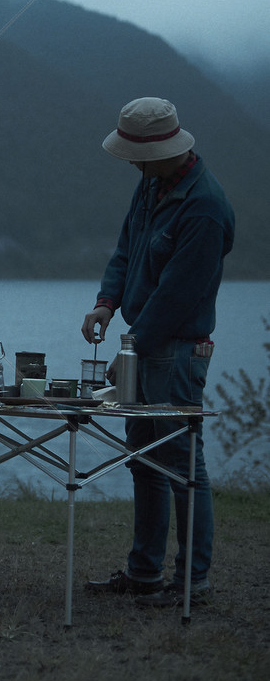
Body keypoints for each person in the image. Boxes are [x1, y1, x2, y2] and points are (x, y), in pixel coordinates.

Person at [81, 97, 234, 606]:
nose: (130, 162)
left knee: (183, 465)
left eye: (134, 154)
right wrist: (107, 303)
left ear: (161, 150)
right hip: (144, 344)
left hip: (176, 350)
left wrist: (129, 348)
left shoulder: (205, 207)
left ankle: (194, 583)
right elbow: (127, 249)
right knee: (144, 460)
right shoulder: (151, 185)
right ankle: (144, 573)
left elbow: (176, 295)